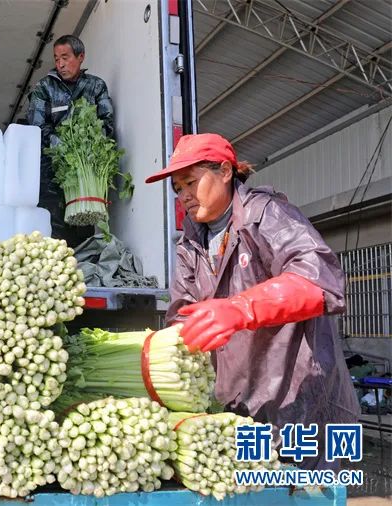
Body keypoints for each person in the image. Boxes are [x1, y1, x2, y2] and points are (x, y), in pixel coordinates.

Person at [145, 133, 359, 471]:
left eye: (190, 182)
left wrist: (239, 308)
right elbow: (182, 320)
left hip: (302, 410)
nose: (183, 195)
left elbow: (318, 281)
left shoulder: (265, 213)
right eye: (177, 189)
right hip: (243, 416)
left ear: (226, 171)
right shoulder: (190, 245)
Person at [27, 34, 114, 247]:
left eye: (65, 57)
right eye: (56, 59)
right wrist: (61, 147)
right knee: (55, 231)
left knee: (84, 232)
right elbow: (37, 128)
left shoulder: (95, 86)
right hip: (53, 175)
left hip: (87, 174)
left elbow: (107, 124)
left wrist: (90, 149)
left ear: (81, 56)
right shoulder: (43, 88)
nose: (60, 64)